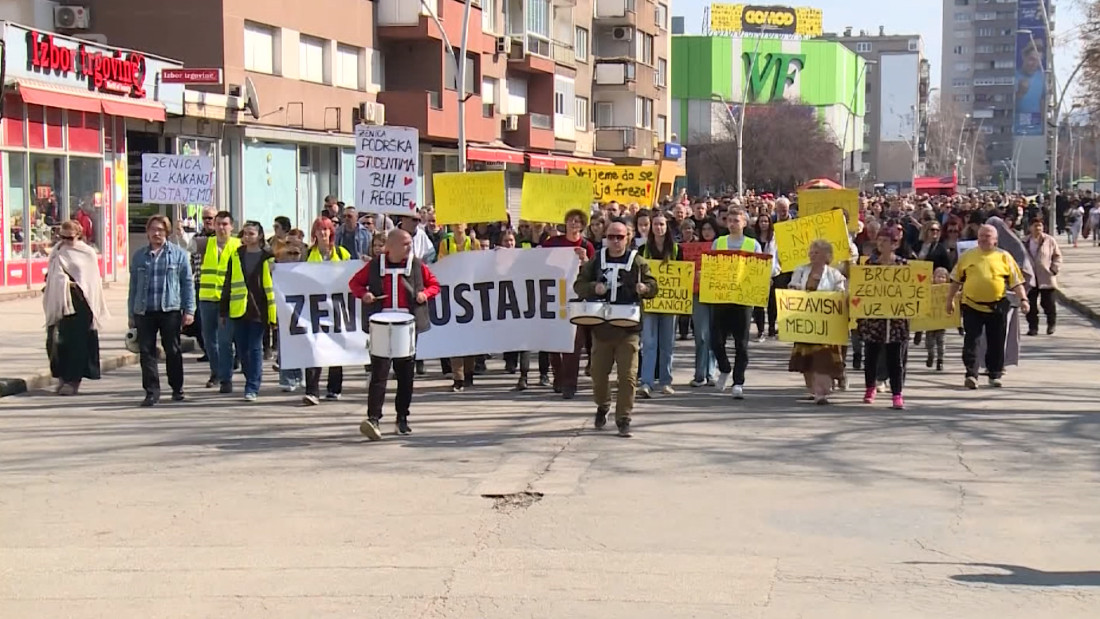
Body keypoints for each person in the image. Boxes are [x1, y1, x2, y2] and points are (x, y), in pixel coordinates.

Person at [350, 230, 440, 439]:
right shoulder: (375, 265)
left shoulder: (416, 265)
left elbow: (435, 285)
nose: (409, 247)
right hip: (381, 324)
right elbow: (355, 283)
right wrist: (365, 294)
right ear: (391, 247)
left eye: (410, 243)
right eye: (405, 244)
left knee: (405, 375)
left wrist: (424, 294)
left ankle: (402, 417)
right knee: (379, 373)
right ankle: (373, 418)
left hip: (407, 325)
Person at [574, 220, 659, 438]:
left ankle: (623, 418)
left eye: (619, 237)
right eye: (611, 237)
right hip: (602, 327)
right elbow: (578, 285)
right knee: (598, 375)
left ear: (627, 238)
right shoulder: (597, 260)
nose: (615, 241)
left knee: (628, 377)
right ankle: (603, 405)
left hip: (629, 328)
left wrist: (645, 288)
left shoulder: (637, 261)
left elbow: (654, 286)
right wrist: (594, 287)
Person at [947, 224, 1028, 389]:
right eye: (981, 236)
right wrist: (950, 300)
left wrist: (1024, 300)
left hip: (997, 306)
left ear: (995, 240)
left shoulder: (1004, 257)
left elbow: (1016, 282)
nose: (984, 239)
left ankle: (994, 374)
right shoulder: (967, 256)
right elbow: (956, 280)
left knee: (996, 342)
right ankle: (971, 374)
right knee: (972, 341)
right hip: (971, 305)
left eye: (988, 236)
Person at [128, 215, 195, 407]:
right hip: (145, 310)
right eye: (153, 230)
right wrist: (131, 313)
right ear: (147, 232)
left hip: (170, 309)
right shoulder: (139, 256)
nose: (156, 233)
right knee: (146, 351)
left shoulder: (178, 254)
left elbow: (187, 283)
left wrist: (189, 310)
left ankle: (177, 388)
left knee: (172, 350)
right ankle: (151, 392)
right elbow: (133, 287)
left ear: (167, 232)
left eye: (160, 230)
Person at [44, 220, 109, 395]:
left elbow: (91, 280)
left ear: (78, 235)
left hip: (80, 303)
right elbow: (51, 274)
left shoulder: (87, 253)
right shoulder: (57, 251)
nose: (65, 241)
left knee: (76, 344)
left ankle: (73, 380)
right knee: (56, 342)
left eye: (69, 238)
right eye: (62, 237)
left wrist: (71, 284)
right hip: (59, 302)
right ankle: (61, 377)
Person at [541, 209, 597, 399]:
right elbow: (534, 261)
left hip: (576, 300)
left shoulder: (587, 246)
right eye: (570, 220)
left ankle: (570, 384)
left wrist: (585, 260)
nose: (574, 224)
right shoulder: (553, 243)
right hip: (553, 298)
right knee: (554, 342)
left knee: (574, 344)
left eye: (577, 221)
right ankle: (558, 377)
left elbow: (594, 273)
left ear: (582, 225)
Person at [220, 221, 276, 402]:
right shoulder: (236, 255)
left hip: (259, 309)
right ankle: (249, 376)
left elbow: (274, 285)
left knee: (255, 348)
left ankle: (252, 386)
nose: (247, 236)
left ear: (259, 236)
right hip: (239, 309)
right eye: (245, 233)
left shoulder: (269, 257)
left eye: (251, 233)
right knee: (242, 349)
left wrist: (274, 315)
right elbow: (228, 283)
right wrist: (223, 310)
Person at [710, 208, 762, 399]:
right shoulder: (719, 242)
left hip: (743, 299)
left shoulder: (753, 244)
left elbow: (760, 269)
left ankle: (738, 381)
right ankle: (724, 368)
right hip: (721, 297)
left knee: (741, 344)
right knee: (716, 341)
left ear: (744, 223)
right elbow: (711, 267)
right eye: (729, 220)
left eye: (736, 220)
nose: (732, 224)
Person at [787, 240, 847, 404]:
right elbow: (792, 287)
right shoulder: (801, 270)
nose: (812, 255)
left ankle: (822, 392)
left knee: (822, 358)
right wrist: (795, 289)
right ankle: (813, 390)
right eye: (811, 252)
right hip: (805, 322)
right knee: (807, 358)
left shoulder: (834, 274)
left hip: (825, 325)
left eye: (817, 253)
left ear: (827, 255)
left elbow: (840, 293)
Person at [858, 227, 910, 410]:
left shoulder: (903, 265)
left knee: (895, 358)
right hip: (874, 318)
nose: (880, 244)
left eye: (885, 241)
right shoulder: (870, 264)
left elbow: (911, 290)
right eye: (879, 240)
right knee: (871, 355)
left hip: (896, 319)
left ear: (895, 244)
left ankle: (897, 393)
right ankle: (870, 388)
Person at [302, 218, 350, 405]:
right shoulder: (307, 254)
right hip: (313, 308)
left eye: (326, 229)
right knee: (313, 348)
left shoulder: (342, 253)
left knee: (336, 347)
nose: (322, 233)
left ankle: (334, 388)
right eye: (319, 230)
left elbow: (352, 273)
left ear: (331, 232)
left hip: (336, 307)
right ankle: (312, 391)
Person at [193, 210, 239, 392]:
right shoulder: (206, 243)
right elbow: (185, 246)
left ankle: (226, 377)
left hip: (227, 299)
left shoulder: (238, 245)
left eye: (225, 224)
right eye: (218, 224)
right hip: (207, 298)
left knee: (225, 340)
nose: (221, 227)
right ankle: (216, 372)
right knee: (209, 340)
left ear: (231, 226)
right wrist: (179, 233)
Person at [638, 213, 681, 398]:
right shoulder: (643, 250)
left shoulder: (677, 249)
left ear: (667, 227)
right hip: (649, 302)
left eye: (662, 224)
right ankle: (646, 382)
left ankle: (665, 382)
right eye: (655, 224)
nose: (659, 228)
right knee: (648, 343)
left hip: (670, 303)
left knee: (667, 344)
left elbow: (683, 274)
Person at [437, 223, 481, 392]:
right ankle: (458, 377)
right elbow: (442, 265)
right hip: (453, 295)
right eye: (455, 222)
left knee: (469, 337)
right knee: (454, 337)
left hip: (471, 295)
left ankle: (469, 373)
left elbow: (481, 264)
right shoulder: (446, 244)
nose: (458, 225)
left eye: (461, 222)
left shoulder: (474, 243)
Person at [690, 219, 721, 387]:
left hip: (716, 294)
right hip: (698, 294)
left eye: (710, 229)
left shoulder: (721, 246)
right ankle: (699, 374)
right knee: (701, 336)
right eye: (704, 229)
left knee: (714, 334)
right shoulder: (693, 248)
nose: (707, 232)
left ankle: (711, 372)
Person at [1023, 217, 1062, 336]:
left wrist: (1054, 269)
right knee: (1031, 305)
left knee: (1048, 303)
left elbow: (1057, 256)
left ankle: (1051, 324)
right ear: (1030, 227)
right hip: (1030, 278)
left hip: (1046, 276)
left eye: (1040, 225)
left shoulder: (1049, 240)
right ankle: (1033, 327)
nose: (1038, 228)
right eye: (1035, 226)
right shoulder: (1024, 242)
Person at [924, 267, 951, 372]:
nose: (941, 279)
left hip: (942, 322)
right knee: (929, 343)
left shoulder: (948, 290)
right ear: (933, 277)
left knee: (941, 342)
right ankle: (930, 355)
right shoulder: (928, 289)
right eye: (938, 277)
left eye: (943, 277)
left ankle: (940, 360)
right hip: (930, 323)